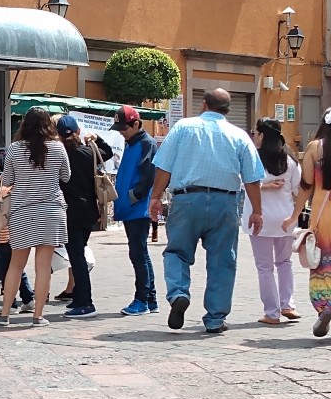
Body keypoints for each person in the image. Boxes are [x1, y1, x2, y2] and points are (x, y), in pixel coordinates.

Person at [149, 88, 264, 334]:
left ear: (203, 105)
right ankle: (214, 318)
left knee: (177, 252)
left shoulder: (183, 127)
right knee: (223, 260)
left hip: (188, 199)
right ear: (227, 110)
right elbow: (253, 179)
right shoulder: (240, 136)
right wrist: (257, 211)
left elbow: (164, 167)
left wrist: (156, 197)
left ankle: (179, 293)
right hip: (225, 203)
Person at [0, 107, 70, 327]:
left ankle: (5, 314)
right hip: (51, 211)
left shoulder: (15, 149)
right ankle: (37, 316)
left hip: (22, 212)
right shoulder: (57, 148)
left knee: (16, 265)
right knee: (43, 266)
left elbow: (7, 180)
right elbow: (66, 176)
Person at [243, 118, 302, 325]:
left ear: (262, 135)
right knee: (285, 263)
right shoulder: (290, 160)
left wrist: (264, 186)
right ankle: (288, 305)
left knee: (265, 267)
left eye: (255, 132)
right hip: (285, 218)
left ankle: (272, 312)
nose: (253, 136)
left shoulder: (252, 158)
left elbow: (243, 184)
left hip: (260, 218)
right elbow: (298, 191)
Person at [56, 115, 114, 318]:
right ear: (78, 132)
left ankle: (86, 303)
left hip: (69, 213)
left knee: (77, 257)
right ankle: (79, 298)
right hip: (88, 212)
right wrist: (97, 138)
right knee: (77, 253)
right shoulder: (88, 152)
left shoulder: (59, 155)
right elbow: (107, 152)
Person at [283, 107, 331, 337]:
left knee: (321, 265)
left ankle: (325, 309)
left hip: (323, 215)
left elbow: (306, 185)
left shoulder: (315, 148)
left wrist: (294, 217)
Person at [110, 105, 159, 316]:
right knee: (140, 253)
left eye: (124, 127)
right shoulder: (132, 143)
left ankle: (142, 300)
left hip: (138, 208)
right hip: (131, 207)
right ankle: (150, 299)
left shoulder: (146, 144)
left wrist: (133, 196)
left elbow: (149, 175)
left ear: (136, 124)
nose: (122, 131)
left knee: (138, 253)